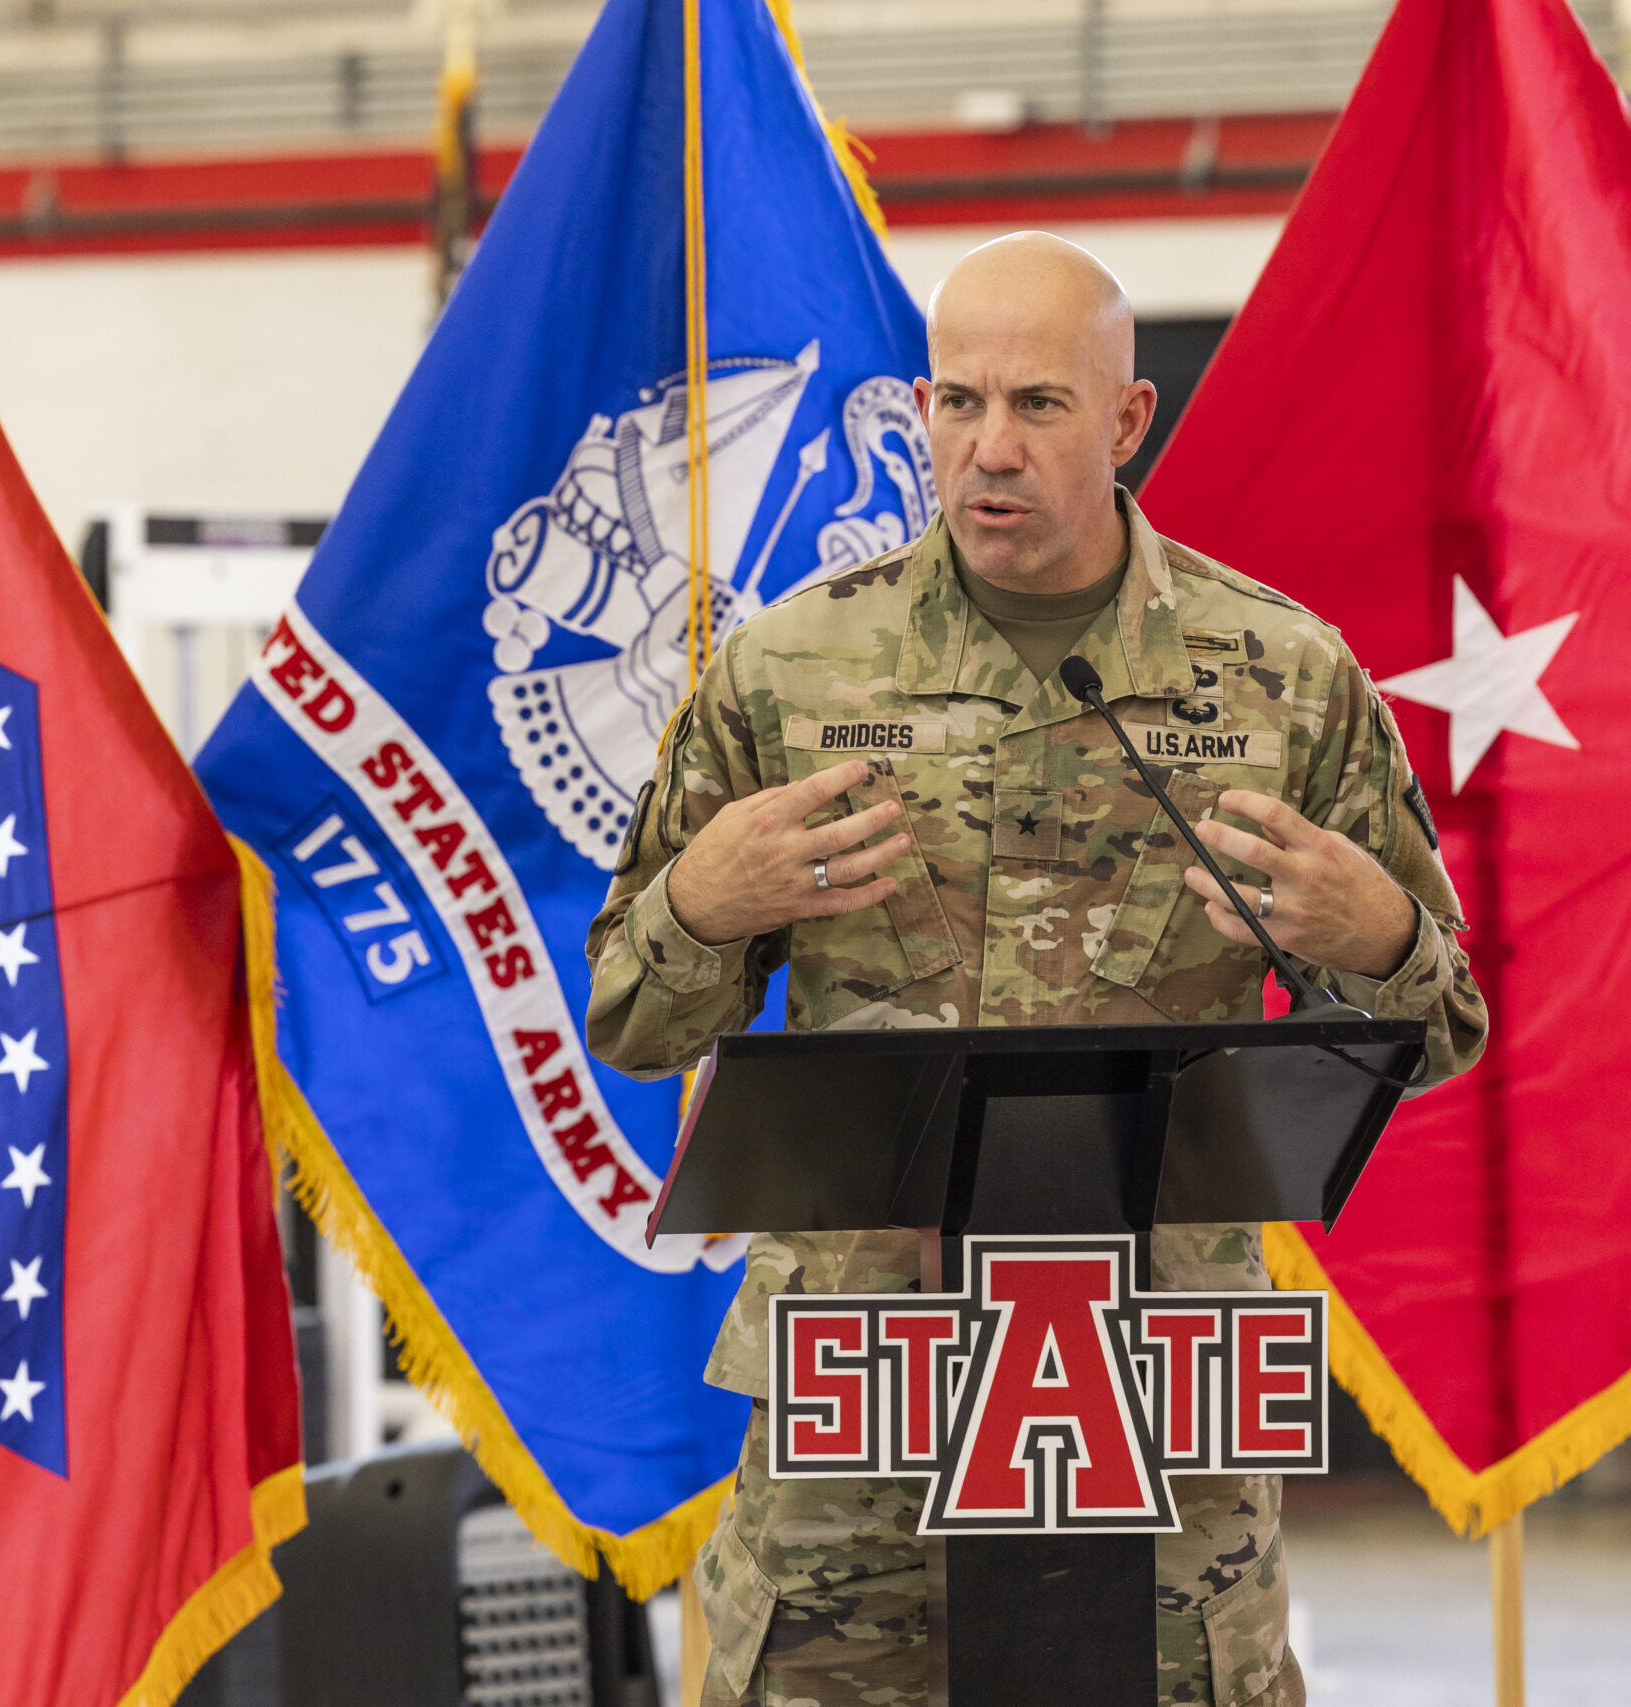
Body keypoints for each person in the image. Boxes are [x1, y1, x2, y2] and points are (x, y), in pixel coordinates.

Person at [585, 232, 1488, 1707]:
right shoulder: (787, 672)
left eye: (1039, 405)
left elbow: (1443, 1025)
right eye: (959, 401)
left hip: (1152, 1397)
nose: (989, 448)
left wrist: (1377, 940)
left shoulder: (1287, 678)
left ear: (1128, 421)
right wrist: (702, 900)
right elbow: (630, 1016)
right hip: (865, 1403)